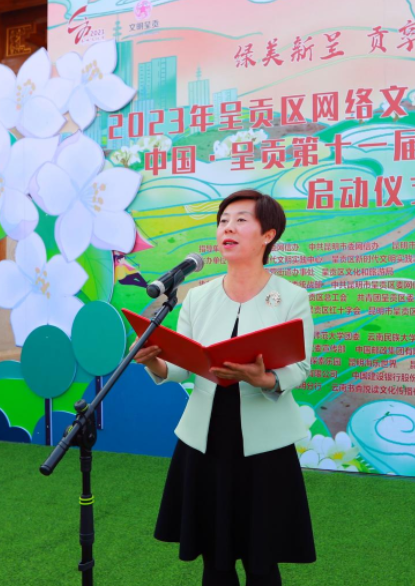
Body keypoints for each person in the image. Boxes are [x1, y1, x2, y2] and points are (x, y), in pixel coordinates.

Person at [133, 189, 316, 586]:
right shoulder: (196, 296)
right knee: (214, 559)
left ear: (268, 235)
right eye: (222, 221)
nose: (227, 228)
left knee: (262, 560)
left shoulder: (292, 297)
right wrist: (155, 362)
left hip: (265, 445)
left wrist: (264, 378)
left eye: (240, 220)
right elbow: (184, 367)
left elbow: (299, 368)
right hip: (206, 440)